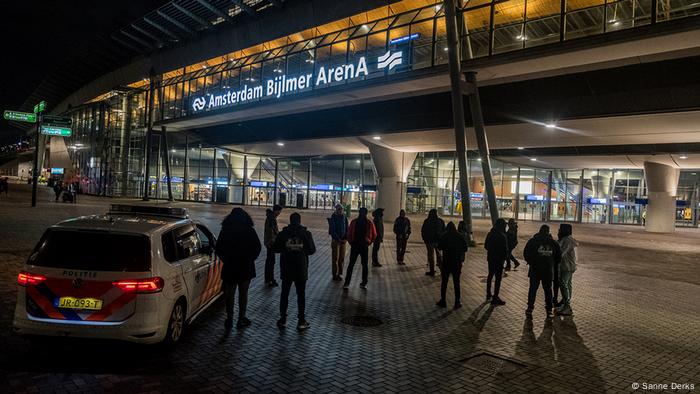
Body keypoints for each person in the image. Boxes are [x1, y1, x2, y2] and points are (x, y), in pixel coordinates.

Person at [216, 208, 262, 330]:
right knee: (243, 294)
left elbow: (219, 248)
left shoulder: (225, 230)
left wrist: (226, 259)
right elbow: (257, 247)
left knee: (229, 294)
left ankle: (229, 318)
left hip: (230, 267)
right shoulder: (249, 230)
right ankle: (241, 318)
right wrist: (250, 259)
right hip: (246, 267)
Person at [272, 212, 316, 330]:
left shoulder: (284, 233)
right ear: (299, 221)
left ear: (290, 221)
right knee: (301, 294)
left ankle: (283, 319)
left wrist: (286, 247)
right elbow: (312, 250)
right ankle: (301, 320)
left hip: (286, 267)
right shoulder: (305, 234)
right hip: (301, 268)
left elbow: (275, 248)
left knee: (284, 293)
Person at [523, 225, 562, 318]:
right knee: (548, 290)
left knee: (532, 289)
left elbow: (526, 253)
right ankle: (549, 309)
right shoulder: (553, 243)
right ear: (548, 232)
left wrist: (531, 262)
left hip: (535, 269)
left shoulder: (533, 241)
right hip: (548, 270)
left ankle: (530, 308)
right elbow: (558, 257)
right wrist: (551, 263)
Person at [436, 222, 468, 309]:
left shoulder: (445, 236)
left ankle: (443, 300)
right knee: (456, 282)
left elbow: (439, 247)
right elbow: (465, 248)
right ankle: (457, 301)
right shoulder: (460, 236)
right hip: (457, 262)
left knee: (444, 282)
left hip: (446, 262)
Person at [343, 207, 377, 290]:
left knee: (351, 265)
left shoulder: (354, 222)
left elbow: (349, 233)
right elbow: (374, 234)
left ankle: (347, 282)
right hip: (364, 246)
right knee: (364, 265)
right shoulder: (369, 223)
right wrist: (369, 242)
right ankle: (364, 282)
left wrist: (351, 242)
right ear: (366, 213)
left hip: (355, 245)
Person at [484, 218, 509, 306]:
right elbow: (505, 250)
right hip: (499, 260)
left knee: (490, 275)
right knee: (498, 279)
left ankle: (488, 294)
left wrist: (491, 251)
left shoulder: (490, 234)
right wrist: (504, 259)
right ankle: (495, 297)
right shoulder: (502, 236)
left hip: (491, 258)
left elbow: (486, 246)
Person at [556, 224, 578, 316]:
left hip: (567, 266)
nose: (559, 231)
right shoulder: (566, 239)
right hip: (568, 266)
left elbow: (561, 252)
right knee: (567, 284)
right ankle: (565, 304)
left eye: (560, 229)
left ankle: (567, 306)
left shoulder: (567, 240)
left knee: (563, 283)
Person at [421, 209, 445, 276]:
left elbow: (423, 230)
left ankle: (432, 271)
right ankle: (442, 270)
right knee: (439, 256)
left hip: (429, 241)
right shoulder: (440, 221)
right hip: (437, 241)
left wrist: (425, 239)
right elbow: (444, 230)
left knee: (431, 256)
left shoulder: (427, 221)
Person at [328, 204, 349, 281]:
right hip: (336, 241)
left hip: (343, 241)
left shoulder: (344, 217)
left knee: (342, 258)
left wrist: (346, 238)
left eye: (341, 209)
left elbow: (347, 228)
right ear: (336, 210)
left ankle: (340, 273)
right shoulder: (333, 217)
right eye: (339, 209)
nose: (340, 210)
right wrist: (338, 239)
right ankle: (335, 274)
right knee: (335, 258)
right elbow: (332, 230)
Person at [264, 204, 283, 287]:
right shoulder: (272, 219)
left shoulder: (270, 217)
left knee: (270, 261)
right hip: (271, 243)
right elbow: (271, 232)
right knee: (271, 262)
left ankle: (268, 279)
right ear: (276, 211)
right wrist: (273, 241)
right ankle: (269, 279)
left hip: (269, 243)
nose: (279, 213)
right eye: (279, 211)